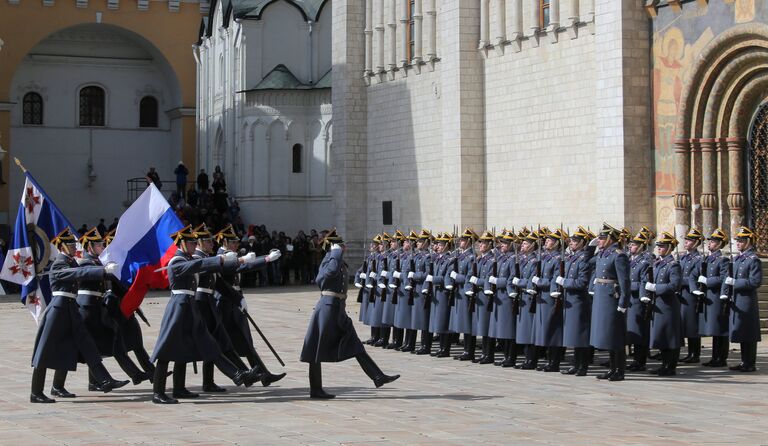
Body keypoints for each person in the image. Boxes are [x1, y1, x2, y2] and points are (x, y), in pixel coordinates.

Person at [150, 225, 263, 404]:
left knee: (207, 344)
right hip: (178, 308)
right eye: (192, 242)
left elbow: (202, 266)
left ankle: (236, 375)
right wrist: (221, 259)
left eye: (196, 242)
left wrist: (234, 261)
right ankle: (158, 393)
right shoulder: (177, 261)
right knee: (166, 351)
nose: (195, 246)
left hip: (190, 307)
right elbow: (199, 264)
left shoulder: (186, 258)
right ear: (182, 243)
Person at [30, 228, 129, 403]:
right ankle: (36, 392)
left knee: (82, 345)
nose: (73, 247)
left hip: (71, 309)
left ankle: (101, 380)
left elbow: (79, 270)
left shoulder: (70, 262)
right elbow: (78, 273)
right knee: (45, 352)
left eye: (73, 244)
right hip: (58, 310)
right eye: (69, 245)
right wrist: (102, 271)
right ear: (61, 247)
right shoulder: (59, 264)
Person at [300, 229, 400, 399]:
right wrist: (334, 254)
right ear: (332, 247)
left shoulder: (336, 261)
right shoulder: (329, 261)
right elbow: (326, 276)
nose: (343, 247)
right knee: (315, 349)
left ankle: (377, 376)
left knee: (354, 343)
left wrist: (336, 255)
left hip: (338, 309)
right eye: (339, 245)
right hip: (327, 309)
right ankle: (315, 388)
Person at [75, 228, 149, 391]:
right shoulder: (86, 262)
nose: (102, 247)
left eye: (102, 244)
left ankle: (97, 381)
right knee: (78, 350)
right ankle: (58, 385)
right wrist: (104, 271)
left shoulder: (98, 262)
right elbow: (84, 273)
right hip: (87, 309)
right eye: (99, 245)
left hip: (98, 309)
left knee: (100, 345)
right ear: (90, 247)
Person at [214, 225, 286, 386]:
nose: (236, 245)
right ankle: (211, 380)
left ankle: (263, 374)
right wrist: (265, 259)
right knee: (220, 343)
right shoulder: (221, 257)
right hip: (225, 304)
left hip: (235, 303)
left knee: (245, 341)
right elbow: (242, 266)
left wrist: (265, 258)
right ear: (224, 242)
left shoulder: (230, 255)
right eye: (232, 242)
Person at [590, 223, 631, 381]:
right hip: (601, 298)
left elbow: (624, 282)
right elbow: (587, 260)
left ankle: (619, 370)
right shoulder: (602, 254)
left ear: (609, 239)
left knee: (616, 336)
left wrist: (623, 303)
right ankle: (612, 368)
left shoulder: (618, 255)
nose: (599, 241)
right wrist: (589, 246)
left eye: (601, 238)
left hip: (611, 298)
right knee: (608, 336)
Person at [641, 231, 683, 376]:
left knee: (670, 337)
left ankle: (670, 366)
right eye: (658, 246)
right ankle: (664, 364)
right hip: (658, 304)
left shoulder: (673, 265)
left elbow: (674, 286)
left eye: (663, 246)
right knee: (662, 336)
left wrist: (656, 288)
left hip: (668, 305)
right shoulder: (657, 264)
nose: (659, 248)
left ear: (670, 248)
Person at [555, 226, 595, 376]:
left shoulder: (583, 260)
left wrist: (564, 282)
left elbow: (582, 282)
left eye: (575, 241)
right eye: (571, 240)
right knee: (574, 336)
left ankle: (582, 366)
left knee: (581, 336)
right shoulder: (573, 258)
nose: (571, 242)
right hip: (569, 301)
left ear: (583, 243)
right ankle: (575, 364)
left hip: (579, 301)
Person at [722, 226, 762, 372]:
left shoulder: (753, 260)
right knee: (742, 332)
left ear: (749, 241)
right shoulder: (738, 259)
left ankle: (750, 363)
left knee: (749, 333)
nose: (738, 243)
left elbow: (755, 282)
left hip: (746, 301)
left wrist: (735, 283)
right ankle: (744, 361)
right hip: (737, 299)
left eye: (741, 240)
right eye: (737, 240)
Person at [697, 228, 731, 367]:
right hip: (708, 297)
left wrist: (707, 281)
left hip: (717, 297)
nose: (709, 243)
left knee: (720, 330)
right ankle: (715, 357)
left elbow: (723, 278)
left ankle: (721, 358)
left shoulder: (722, 260)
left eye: (712, 241)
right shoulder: (707, 259)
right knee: (715, 330)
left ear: (719, 244)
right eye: (710, 241)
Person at [466, 230, 497, 364]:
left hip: (486, 295)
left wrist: (476, 281)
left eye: (483, 243)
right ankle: (484, 353)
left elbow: (488, 278)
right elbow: (470, 275)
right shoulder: (480, 258)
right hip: (478, 295)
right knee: (481, 325)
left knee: (486, 325)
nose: (480, 245)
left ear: (490, 244)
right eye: (480, 243)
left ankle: (488, 354)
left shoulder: (491, 259)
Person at [448, 228, 479, 361]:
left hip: (466, 291)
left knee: (467, 322)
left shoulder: (471, 257)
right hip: (459, 291)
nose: (460, 242)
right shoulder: (461, 256)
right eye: (460, 240)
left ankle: (469, 351)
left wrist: (457, 277)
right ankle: (466, 350)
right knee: (462, 322)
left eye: (463, 240)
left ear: (469, 242)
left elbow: (469, 276)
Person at [626, 229, 653, 371]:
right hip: (629, 300)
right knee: (632, 331)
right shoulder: (630, 261)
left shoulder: (644, 262)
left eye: (634, 244)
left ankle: (640, 361)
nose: (631, 246)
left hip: (637, 301)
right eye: (630, 244)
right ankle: (635, 359)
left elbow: (643, 282)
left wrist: (626, 285)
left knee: (639, 333)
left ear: (642, 246)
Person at [679, 228, 705, 363]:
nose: (686, 242)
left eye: (689, 241)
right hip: (681, 294)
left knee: (692, 326)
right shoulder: (682, 257)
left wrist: (677, 281)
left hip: (690, 294)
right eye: (686, 240)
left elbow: (693, 278)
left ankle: (695, 354)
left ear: (696, 243)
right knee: (684, 324)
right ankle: (690, 353)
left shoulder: (698, 259)